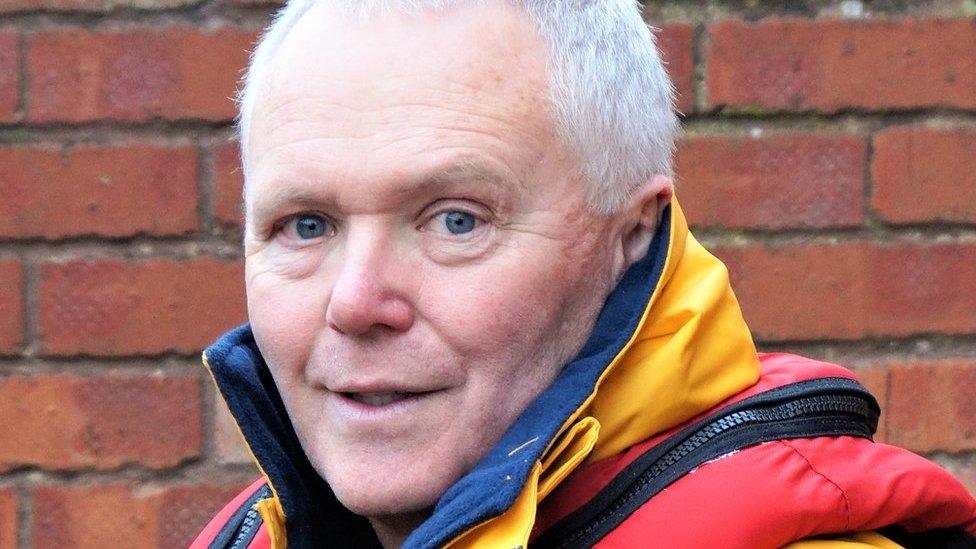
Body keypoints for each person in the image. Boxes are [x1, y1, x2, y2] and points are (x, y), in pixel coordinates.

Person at [191, 1, 976, 548]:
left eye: (456, 220)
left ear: (630, 237)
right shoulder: (249, 534)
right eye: (305, 225)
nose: (355, 301)